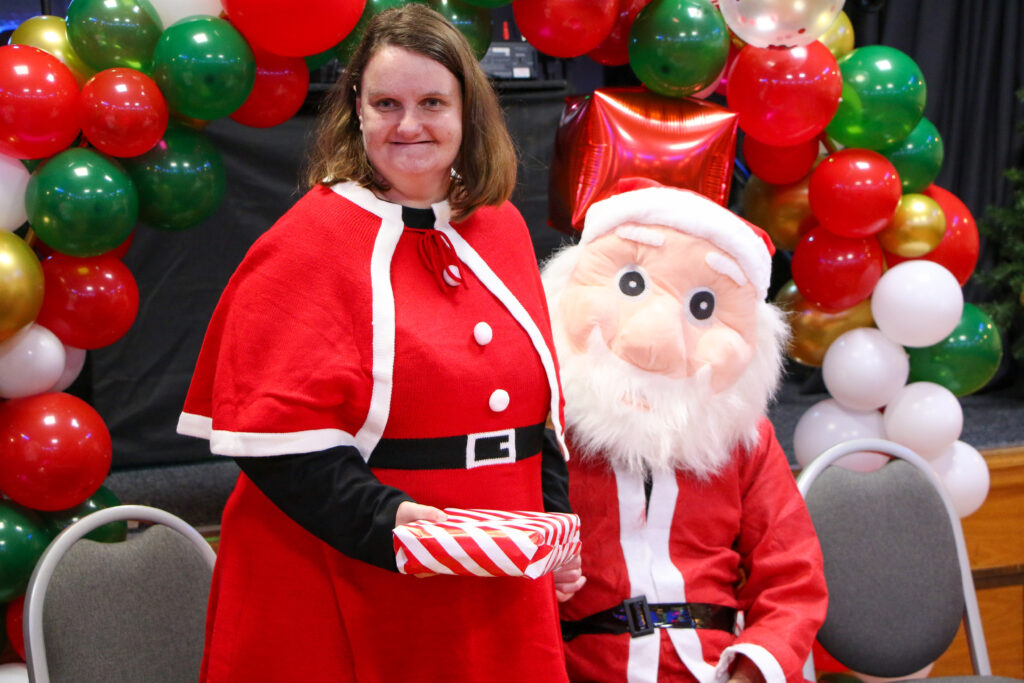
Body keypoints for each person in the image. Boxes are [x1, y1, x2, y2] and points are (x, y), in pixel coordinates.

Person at [177, 5, 583, 681]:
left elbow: (535, 409)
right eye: (386, 104)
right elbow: (279, 446)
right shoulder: (308, 240)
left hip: (496, 570)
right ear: (356, 113)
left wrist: (555, 526)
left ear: (468, 112)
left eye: (432, 103)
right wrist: (395, 525)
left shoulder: (501, 226)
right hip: (347, 569)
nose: (409, 124)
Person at [542, 178, 828, 683]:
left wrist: (752, 671)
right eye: (632, 286)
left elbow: (793, 579)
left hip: (718, 668)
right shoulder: (543, 430)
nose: (657, 337)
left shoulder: (744, 438)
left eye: (702, 308)